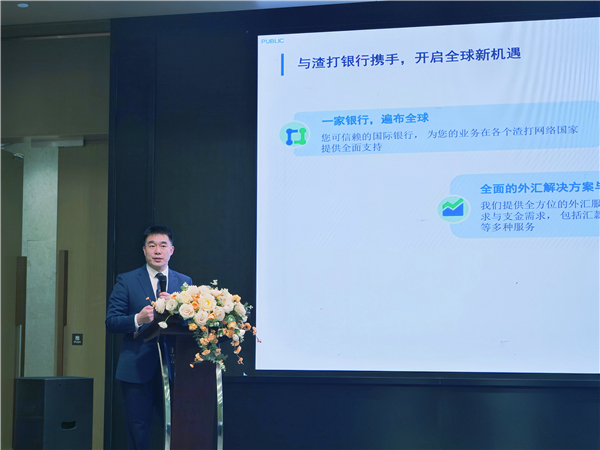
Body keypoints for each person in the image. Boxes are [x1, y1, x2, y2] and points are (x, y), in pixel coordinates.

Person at [106, 225, 192, 450]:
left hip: (175, 370)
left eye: (163, 246)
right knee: (139, 429)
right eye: (152, 246)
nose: (157, 251)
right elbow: (111, 321)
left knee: (178, 429)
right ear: (144, 250)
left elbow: (191, 325)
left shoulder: (185, 282)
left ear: (171, 250)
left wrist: (179, 310)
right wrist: (138, 318)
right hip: (136, 369)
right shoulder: (127, 280)